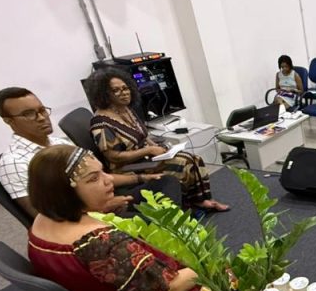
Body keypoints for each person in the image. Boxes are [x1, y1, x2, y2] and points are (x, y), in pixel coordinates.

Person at [27, 145, 214, 291]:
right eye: (93, 179)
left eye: (103, 172)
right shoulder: (99, 242)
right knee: (231, 284)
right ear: (64, 192)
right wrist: (207, 265)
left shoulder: (41, 222)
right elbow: (168, 290)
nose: (108, 181)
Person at [0, 87, 159, 219]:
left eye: (42, 110)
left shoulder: (60, 143)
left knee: (166, 183)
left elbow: (97, 176)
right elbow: (40, 215)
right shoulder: (14, 162)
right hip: (83, 218)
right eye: (29, 114)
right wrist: (99, 209)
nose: (41, 117)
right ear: (8, 121)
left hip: (104, 199)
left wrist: (141, 178)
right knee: (159, 219)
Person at [87, 70, 228, 212]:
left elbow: (143, 135)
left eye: (125, 88)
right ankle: (181, 206)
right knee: (183, 162)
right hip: (127, 168)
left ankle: (201, 200)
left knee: (194, 158)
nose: (124, 93)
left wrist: (159, 149)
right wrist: (148, 150)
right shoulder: (101, 123)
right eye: (116, 90)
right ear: (104, 94)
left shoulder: (125, 109)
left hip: (144, 158)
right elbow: (113, 157)